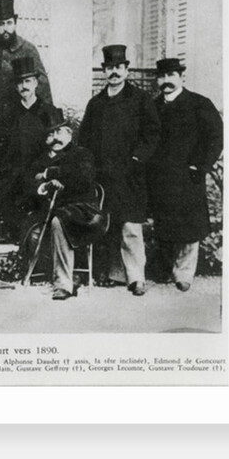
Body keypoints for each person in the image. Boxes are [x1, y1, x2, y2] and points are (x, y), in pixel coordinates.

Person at [78, 44, 161, 296]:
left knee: (130, 227)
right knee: (106, 224)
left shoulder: (141, 100)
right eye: (109, 68)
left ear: (127, 70)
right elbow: (84, 140)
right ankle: (112, 273)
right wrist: (89, 168)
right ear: (104, 71)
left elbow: (152, 134)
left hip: (130, 174)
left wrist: (137, 159)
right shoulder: (96, 104)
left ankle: (137, 278)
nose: (114, 72)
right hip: (103, 175)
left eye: (118, 67)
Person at [147, 57, 224, 291]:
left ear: (182, 77)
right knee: (164, 222)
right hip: (160, 176)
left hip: (188, 175)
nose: (166, 81)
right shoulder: (153, 106)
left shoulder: (199, 104)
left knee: (189, 226)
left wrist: (199, 166)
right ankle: (163, 270)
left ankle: (184, 274)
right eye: (161, 77)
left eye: (171, 75)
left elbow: (216, 138)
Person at [0, 0, 51, 205]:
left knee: (14, 166)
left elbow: (42, 85)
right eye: (1, 24)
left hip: (18, 119)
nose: (5, 29)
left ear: (15, 23)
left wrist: (44, 118)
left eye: (8, 23)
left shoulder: (28, 49)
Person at [21, 112, 108, 300]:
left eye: (60, 132)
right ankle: (59, 275)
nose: (55, 138)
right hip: (48, 210)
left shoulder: (81, 154)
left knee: (59, 221)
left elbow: (83, 177)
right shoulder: (39, 160)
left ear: (69, 134)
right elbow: (28, 184)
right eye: (50, 135)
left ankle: (63, 284)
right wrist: (45, 185)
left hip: (82, 207)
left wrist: (49, 174)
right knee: (42, 224)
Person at [0, 56, 59, 236]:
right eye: (19, 83)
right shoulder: (8, 113)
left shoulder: (48, 112)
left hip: (39, 174)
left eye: (27, 81)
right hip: (12, 176)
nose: (24, 86)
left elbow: (59, 147)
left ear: (35, 82)